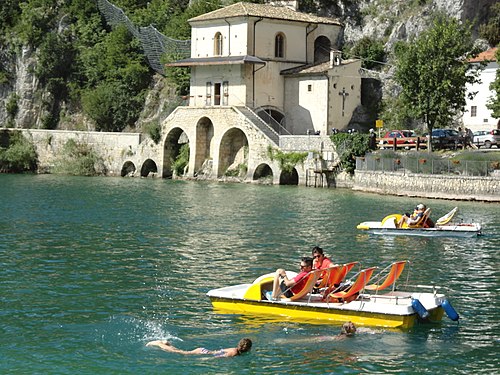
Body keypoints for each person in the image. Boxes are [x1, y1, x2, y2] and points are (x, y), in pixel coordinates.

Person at [146, 338, 252, 358]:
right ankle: (158, 344)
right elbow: (219, 355)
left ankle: (166, 344)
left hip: (204, 350)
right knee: (181, 353)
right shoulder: (235, 353)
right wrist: (207, 359)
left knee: (182, 352)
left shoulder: (234, 349)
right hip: (204, 353)